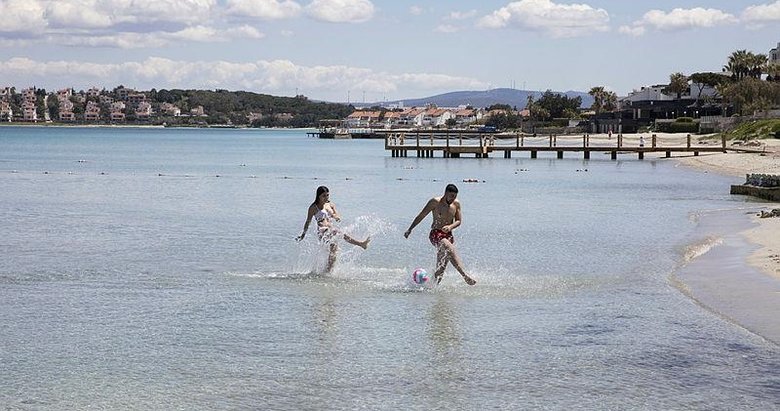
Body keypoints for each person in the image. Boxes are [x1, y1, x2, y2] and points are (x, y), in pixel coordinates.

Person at [404, 184, 476, 285]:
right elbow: (421, 215)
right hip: (436, 233)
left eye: (454, 196)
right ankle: (465, 275)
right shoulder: (435, 202)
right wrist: (410, 229)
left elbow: (459, 221)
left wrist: (450, 227)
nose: (452, 199)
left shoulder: (456, 204)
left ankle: (432, 287)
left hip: (448, 235)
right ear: (445, 193)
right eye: (451, 196)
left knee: (441, 266)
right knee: (449, 247)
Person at [296, 186, 370, 272]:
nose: (326, 197)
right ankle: (361, 244)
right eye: (324, 196)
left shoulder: (330, 204)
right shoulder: (313, 207)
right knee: (338, 232)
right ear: (318, 196)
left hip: (331, 228)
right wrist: (303, 235)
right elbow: (308, 222)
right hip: (323, 232)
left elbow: (336, 215)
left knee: (333, 253)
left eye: (327, 195)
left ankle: (327, 273)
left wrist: (336, 217)